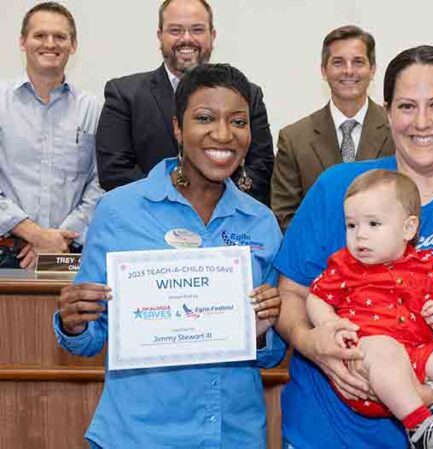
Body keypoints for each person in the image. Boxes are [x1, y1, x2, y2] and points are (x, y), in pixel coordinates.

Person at [274, 45, 433, 449]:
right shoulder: (337, 189)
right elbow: (290, 294)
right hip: (326, 434)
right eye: (407, 106)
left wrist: (423, 396)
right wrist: (312, 344)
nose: (422, 121)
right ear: (387, 111)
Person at [53, 63, 286, 448]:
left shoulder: (260, 222)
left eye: (239, 121)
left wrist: (262, 333)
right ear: (178, 128)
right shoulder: (119, 211)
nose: (223, 134)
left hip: (233, 435)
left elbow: (271, 354)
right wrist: (73, 321)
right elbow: (89, 340)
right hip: (138, 435)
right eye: (205, 118)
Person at [306, 169, 433, 449]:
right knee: (384, 346)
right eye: (352, 226)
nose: (360, 236)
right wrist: (328, 323)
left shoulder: (427, 266)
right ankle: (420, 427)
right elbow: (316, 298)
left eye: (373, 224)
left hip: (415, 359)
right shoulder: (344, 266)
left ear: (408, 228)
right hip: (364, 364)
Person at [95, 0, 274, 204]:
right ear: (160, 36)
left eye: (197, 30)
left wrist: (216, 205)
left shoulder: (248, 95)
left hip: (227, 223)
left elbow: (261, 167)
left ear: (212, 36)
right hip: (147, 222)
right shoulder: (124, 94)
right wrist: (174, 206)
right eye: (175, 30)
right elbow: (114, 171)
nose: (187, 38)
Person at [0, 2, 103, 268]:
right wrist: (35, 234)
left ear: (73, 45)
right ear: (23, 42)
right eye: (39, 35)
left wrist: (59, 239)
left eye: (60, 37)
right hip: (7, 249)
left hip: (70, 251)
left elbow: (101, 181)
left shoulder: (92, 108)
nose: (50, 43)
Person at [271, 25, 393, 231]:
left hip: (388, 259)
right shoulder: (294, 139)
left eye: (358, 62)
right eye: (338, 62)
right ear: (323, 70)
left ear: (372, 69)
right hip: (319, 259)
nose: (348, 70)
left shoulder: (398, 130)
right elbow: (284, 215)